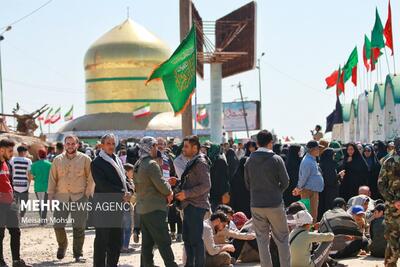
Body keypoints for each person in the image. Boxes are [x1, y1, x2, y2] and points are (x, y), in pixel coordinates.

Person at [244, 130, 291, 267]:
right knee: (282, 239)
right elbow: (286, 182)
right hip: (275, 203)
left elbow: (247, 184)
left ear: (257, 143)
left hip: (256, 204)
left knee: (262, 240)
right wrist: (276, 191)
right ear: (271, 142)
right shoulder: (276, 159)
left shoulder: (249, 160)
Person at [48, 135, 93, 263]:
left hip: (80, 197)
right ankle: (62, 245)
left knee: (79, 227)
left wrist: (87, 193)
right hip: (61, 197)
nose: (70, 146)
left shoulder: (85, 159)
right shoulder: (57, 160)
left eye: (73, 143)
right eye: (68, 143)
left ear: (77, 145)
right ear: (64, 145)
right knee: (58, 225)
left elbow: (91, 177)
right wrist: (50, 196)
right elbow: (52, 179)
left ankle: (78, 253)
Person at [134, 136, 177, 267]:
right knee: (164, 241)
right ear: (149, 147)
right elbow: (162, 187)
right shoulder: (152, 164)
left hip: (143, 209)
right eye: (154, 146)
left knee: (147, 244)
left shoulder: (138, 163)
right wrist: (170, 190)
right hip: (155, 209)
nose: (156, 148)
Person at [91, 133, 131, 267]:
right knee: (102, 240)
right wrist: (122, 194)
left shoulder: (118, 160)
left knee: (115, 240)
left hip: (117, 205)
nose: (111, 146)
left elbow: (125, 179)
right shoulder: (97, 162)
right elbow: (103, 184)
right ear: (102, 145)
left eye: (113, 143)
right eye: (108, 143)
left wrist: (129, 190)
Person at [175, 135, 211, 267]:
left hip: (196, 205)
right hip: (189, 205)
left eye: (186, 146)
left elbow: (206, 185)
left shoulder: (200, 162)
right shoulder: (193, 161)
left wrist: (186, 194)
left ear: (195, 148)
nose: (183, 149)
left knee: (195, 240)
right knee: (188, 240)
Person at [0, 139, 32, 267]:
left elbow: (9, 181)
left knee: (15, 232)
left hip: (10, 203)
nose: (12, 153)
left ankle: (16, 261)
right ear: (1, 150)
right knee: (0, 233)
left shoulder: (8, 163)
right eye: (9, 151)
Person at [378, 137, 400, 267]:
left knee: (392, 238)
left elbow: (381, 184)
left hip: (392, 207)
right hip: (393, 206)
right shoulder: (388, 161)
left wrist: (394, 200)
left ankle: (390, 264)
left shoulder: (388, 161)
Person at [293, 141, 324, 223]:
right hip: (307, 191)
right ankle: (309, 232)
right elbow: (303, 178)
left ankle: (311, 231)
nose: (319, 150)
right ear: (311, 150)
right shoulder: (307, 161)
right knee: (308, 215)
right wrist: (298, 188)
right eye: (317, 148)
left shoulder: (312, 160)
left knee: (313, 214)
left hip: (312, 191)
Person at [229, 141, 255, 218]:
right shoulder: (251, 176)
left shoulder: (235, 176)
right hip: (250, 205)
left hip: (237, 206)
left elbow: (232, 193)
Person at [318, 147, 341, 220]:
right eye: (333, 154)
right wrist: (339, 176)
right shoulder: (329, 166)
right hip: (330, 192)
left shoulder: (322, 164)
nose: (334, 156)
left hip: (324, 191)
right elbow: (331, 181)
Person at [10, 145, 32, 218]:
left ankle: (15, 217)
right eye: (26, 152)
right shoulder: (28, 161)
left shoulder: (12, 160)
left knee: (14, 203)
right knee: (24, 203)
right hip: (24, 186)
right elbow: (29, 174)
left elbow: (11, 171)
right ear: (23, 152)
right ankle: (21, 217)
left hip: (15, 185)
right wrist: (29, 184)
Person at [31, 149, 51, 223]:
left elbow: (32, 176)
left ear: (38, 155)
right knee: (45, 203)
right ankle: (44, 218)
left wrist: (36, 179)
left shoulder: (34, 165)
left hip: (38, 186)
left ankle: (42, 218)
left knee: (40, 203)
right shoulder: (50, 164)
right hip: (47, 186)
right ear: (46, 155)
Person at [121, 163, 135, 254]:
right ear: (126, 172)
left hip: (123, 205)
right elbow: (129, 191)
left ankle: (123, 245)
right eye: (132, 172)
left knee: (124, 228)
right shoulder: (126, 181)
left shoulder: (125, 180)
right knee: (127, 228)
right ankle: (125, 247)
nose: (133, 173)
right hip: (125, 205)